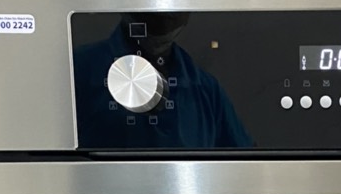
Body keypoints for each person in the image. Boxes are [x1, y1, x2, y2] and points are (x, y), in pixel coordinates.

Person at [73, 12, 252, 150]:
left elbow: (245, 166)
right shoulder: (79, 68)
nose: (162, 15)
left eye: (171, 11)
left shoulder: (206, 89)